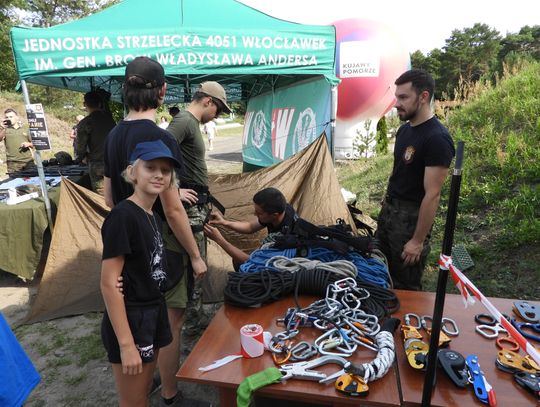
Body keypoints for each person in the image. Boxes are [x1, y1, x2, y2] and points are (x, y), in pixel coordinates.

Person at [103, 56, 207, 407]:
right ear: (163, 91)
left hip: (128, 246)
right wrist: (195, 255)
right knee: (169, 321)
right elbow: (173, 208)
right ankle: (170, 393)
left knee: (142, 316)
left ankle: (146, 381)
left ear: (126, 90)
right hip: (161, 242)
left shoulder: (113, 135)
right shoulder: (160, 137)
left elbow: (108, 197)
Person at [100, 140, 181, 407]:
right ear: (132, 172)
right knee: (133, 400)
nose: (159, 174)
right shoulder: (123, 216)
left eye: (166, 170)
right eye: (150, 167)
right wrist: (126, 344)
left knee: (144, 391)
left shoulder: (152, 215)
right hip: (133, 319)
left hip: (153, 311)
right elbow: (109, 283)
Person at [376, 69, 455, 291]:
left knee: (405, 287)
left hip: (410, 222)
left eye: (403, 97)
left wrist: (417, 241)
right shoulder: (404, 131)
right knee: (378, 273)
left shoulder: (437, 138)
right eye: (396, 97)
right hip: (389, 214)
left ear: (423, 97)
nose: (397, 104)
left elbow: (432, 194)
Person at [205, 187, 298, 265]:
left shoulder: (285, 236)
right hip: (273, 255)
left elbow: (252, 262)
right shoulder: (282, 210)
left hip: (283, 266)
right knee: (237, 259)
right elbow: (250, 227)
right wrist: (224, 222)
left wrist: (219, 240)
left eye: (259, 213)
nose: (254, 214)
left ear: (274, 215)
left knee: (239, 262)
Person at [76, 91, 116, 195]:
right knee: (115, 193)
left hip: (98, 165)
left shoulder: (85, 123)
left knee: (102, 196)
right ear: (99, 103)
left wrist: (80, 158)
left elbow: (80, 148)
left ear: (85, 104)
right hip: (115, 163)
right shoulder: (110, 119)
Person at [0, 108, 34, 175]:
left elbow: (35, 144)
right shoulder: (5, 130)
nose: (9, 119)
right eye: (7, 117)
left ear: (17, 117)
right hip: (12, 163)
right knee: (15, 181)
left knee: (31, 181)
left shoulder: (25, 129)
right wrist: (2, 128)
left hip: (28, 162)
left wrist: (29, 144)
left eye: (11, 117)